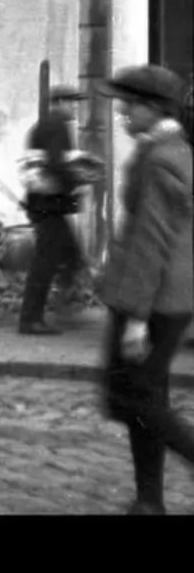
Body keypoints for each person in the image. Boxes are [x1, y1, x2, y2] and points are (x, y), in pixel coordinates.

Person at [96, 64, 194, 515]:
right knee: (142, 401)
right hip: (162, 297)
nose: (122, 112)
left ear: (153, 109)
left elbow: (149, 242)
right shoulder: (170, 150)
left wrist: (136, 319)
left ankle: (151, 498)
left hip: (153, 300)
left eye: (130, 104)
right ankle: (149, 500)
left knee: (139, 400)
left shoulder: (160, 159)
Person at [17, 84, 92, 335]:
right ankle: (31, 319)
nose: (75, 107)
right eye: (71, 102)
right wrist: (83, 174)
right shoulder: (56, 126)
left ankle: (67, 303)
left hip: (47, 203)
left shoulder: (45, 125)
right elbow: (58, 164)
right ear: (58, 102)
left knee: (71, 253)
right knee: (46, 262)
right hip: (48, 204)